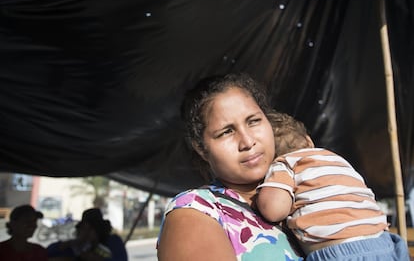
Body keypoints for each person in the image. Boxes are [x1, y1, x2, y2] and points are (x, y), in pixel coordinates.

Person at [157, 73, 304, 260]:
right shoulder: (196, 211)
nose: (248, 142)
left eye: (254, 121)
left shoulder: (305, 189)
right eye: (227, 132)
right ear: (201, 148)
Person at [256, 112, 410, 260]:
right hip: (386, 243)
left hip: (342, 253)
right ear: (309, 141)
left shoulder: (285, 163)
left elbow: (274, 210)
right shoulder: (336, 159)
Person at [47, 207, 128, 261]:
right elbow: (48, 253)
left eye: (90, 229)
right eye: (83, 229)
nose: (86, 232)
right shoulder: (78, 246)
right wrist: (74, 242)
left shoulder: (113, 242)